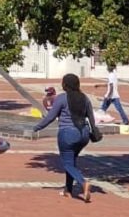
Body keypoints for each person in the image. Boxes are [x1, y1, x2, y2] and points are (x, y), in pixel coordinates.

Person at [32, 72, 98, 202]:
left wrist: (36, 128)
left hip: (67, 134)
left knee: (67, 163)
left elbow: (50, 117)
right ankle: (68, 190)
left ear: (65, 85)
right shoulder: (85, 98)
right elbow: (91, 117)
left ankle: (83, 183)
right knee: (71, 161)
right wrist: (94, 131)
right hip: (83, 134)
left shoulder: (62, 98)